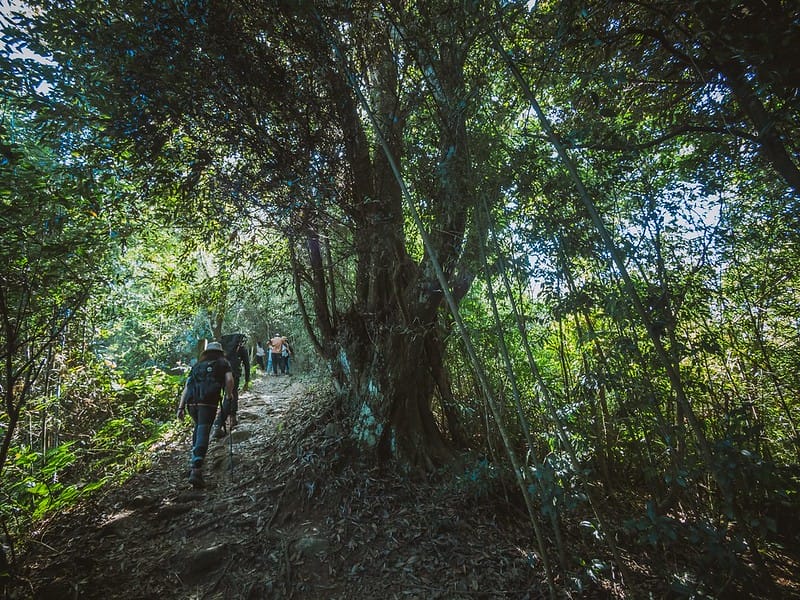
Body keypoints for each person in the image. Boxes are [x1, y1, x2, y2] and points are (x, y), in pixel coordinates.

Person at [176, 341, 234, 488]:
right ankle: (196, 469)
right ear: (220, 352)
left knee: (198, 428)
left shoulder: (196, 366)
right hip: (208, 402)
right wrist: (229, 395)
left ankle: (195, 461)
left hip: (191, 403)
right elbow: (229, 380)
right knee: (203, 430)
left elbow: (187, 387)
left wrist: (180, 407)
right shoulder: (223, 363)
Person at [213, 333, 250, 438]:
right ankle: (224, 422)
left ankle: (217, 423)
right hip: (233, 375)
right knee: (231, 397)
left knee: (224, 397)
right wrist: (247, 381)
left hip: (218, 375)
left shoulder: (223, 347)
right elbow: (247, 365)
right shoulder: (241, 349)